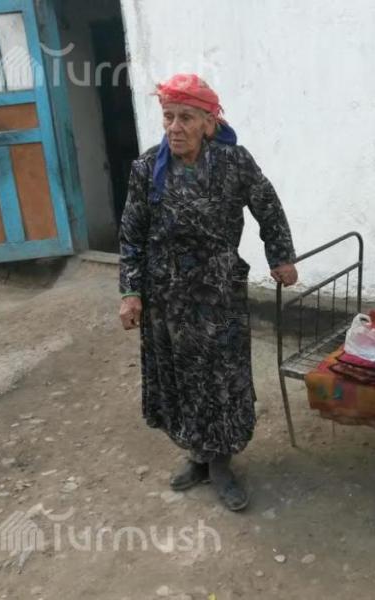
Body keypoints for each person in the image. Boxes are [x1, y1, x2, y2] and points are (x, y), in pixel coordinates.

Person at [118, 74, 298, 512]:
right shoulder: (147, 168)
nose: (175, 127)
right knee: (179, 376)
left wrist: (281, 257)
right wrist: (131, 291)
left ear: (208, 123)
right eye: (168, 117)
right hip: (165, 295)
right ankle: (197, 454)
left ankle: (220, 463)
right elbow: (132, 234)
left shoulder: (233, 162)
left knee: (221, 377)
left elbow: (268, 207)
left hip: (218, 290)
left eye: (186, 117)